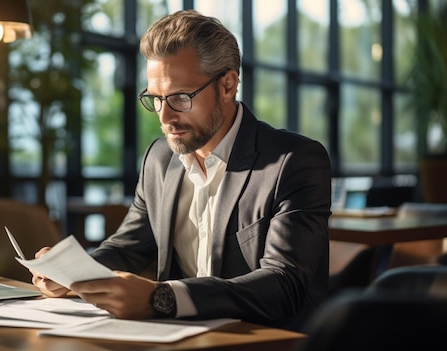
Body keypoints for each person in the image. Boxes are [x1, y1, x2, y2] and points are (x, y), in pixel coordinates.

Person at [30, 9, 331, 332]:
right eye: (156, 99)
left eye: (180, 97)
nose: (164, 117)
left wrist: (163, 298)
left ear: (228, 85)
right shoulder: (160, 158)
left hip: (265, 339)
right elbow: (129, 247)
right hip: (178, 337)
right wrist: (72, 273)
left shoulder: (292, 161)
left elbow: (284, 284)